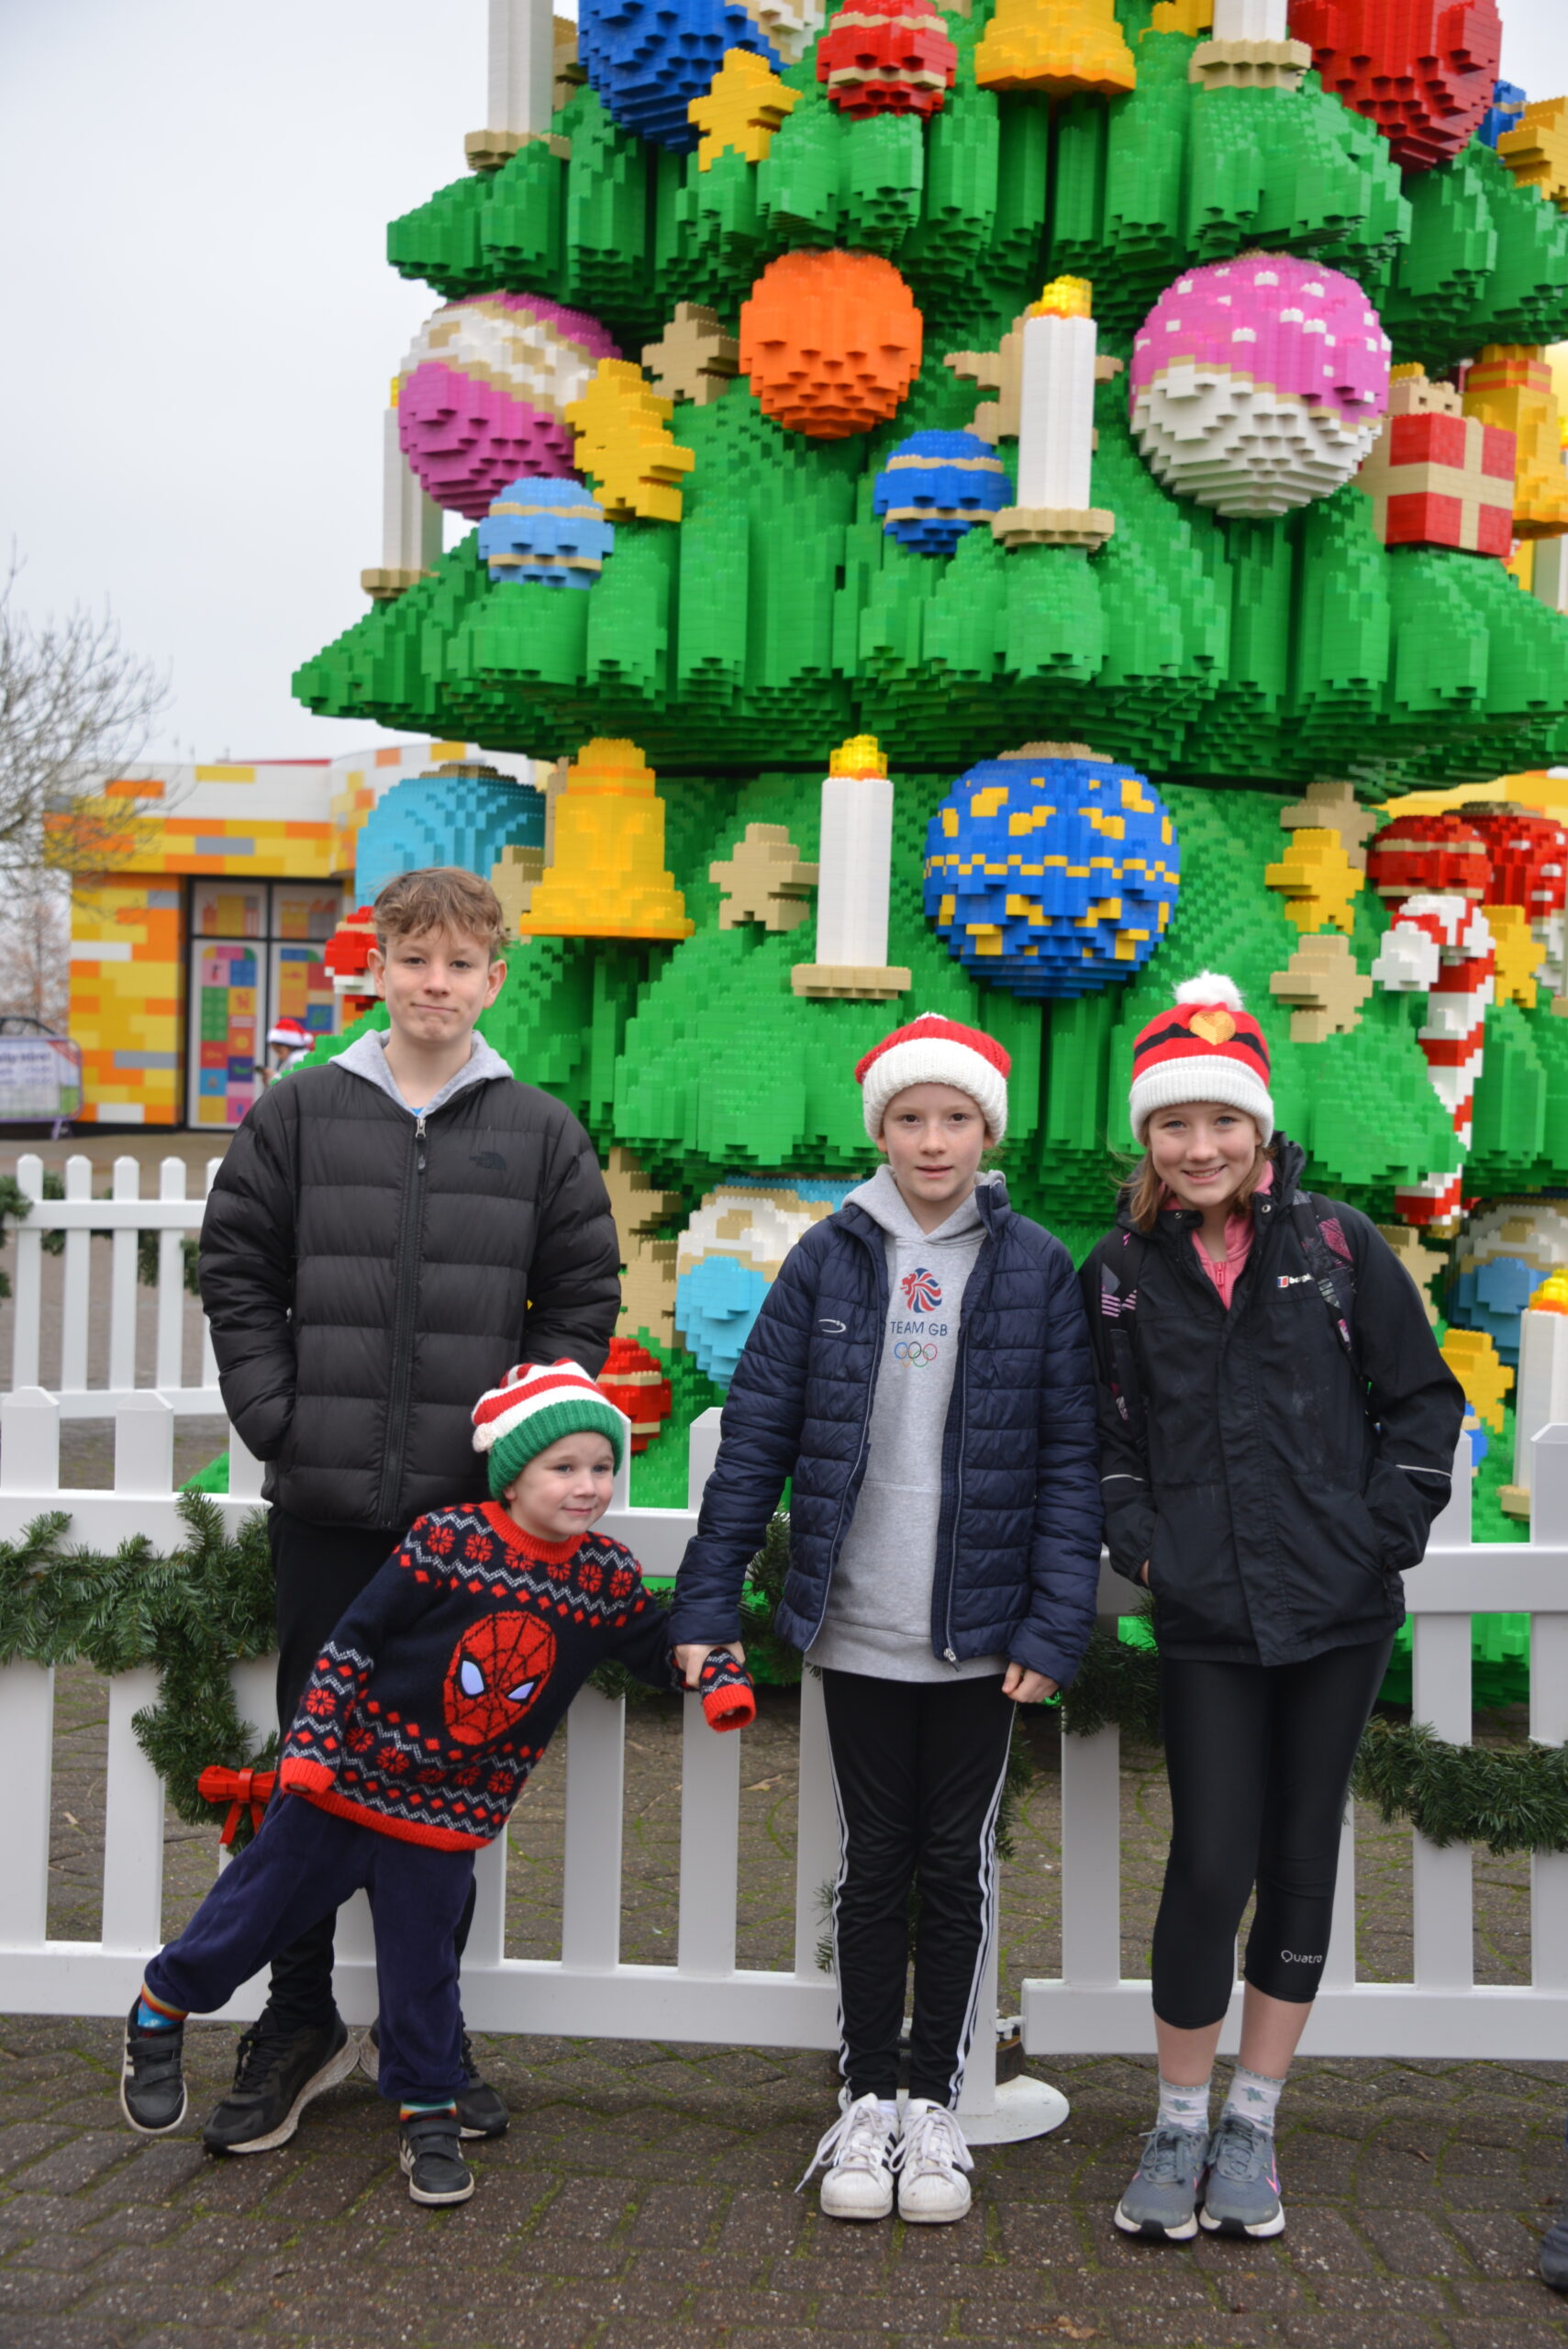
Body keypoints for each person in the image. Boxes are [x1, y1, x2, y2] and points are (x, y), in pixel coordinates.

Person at [196, 867, 620, 2155]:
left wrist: (511, 1452)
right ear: (375, 968)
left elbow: (581, 1302)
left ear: (496, 979)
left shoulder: (538, 1130)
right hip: (325, 1500)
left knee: (446, 1782)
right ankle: (299, 2017)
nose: (436, 984)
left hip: (466, 1528)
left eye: (461, 965)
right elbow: (238, 1266)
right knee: (316, 1769)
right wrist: (281, 1415)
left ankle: (429, 2043)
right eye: (413, 960)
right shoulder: (304, 1112)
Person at [118, 1361, 754, 2206]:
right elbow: (351, 1642)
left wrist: (709, 1665)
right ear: (513, 1473)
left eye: (602, 1467)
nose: (589, 1486)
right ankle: (161, 2008)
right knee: (254, 1912)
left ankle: (426, 2116)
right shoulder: (447, 1541)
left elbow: (653, 1651)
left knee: (422, 1976)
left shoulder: (602, 1576)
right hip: (343, 1783)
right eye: (563, 1468)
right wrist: (310, 1744)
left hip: (449, 1816)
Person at [669, 1012, 1103, 2226]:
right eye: (908, 1118)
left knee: (953, 1871)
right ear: (881, 1130)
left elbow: (1070, 1459)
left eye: (953, 1117)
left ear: (984, 1131)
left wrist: (1050, 1628)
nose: (930, 1139)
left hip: (978, 1634)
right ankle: (865, 2098)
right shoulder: (829, 1257)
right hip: (854, 1622)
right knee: (871, 1868)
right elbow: (753, 1438)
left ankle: (937, 2109)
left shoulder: (1032, 1268)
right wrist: (708, 1597)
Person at [1082, 973, 1465, 2246]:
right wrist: (1147, 1549)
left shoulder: (1339, 1249)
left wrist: (1381, 1533)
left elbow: (1421, 1407)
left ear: (1258, 1128)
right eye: (1173, 1127)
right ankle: (1178, 2117)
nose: (1199, 1148)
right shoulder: (1123, 1271)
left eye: (1222, 1123)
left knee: (1301, 1862)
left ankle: (1253, 2119)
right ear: (1145, 1138)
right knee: (1208, 1863)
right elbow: (1104, 1436)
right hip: (1206, 1615)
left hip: (1339, 1613)